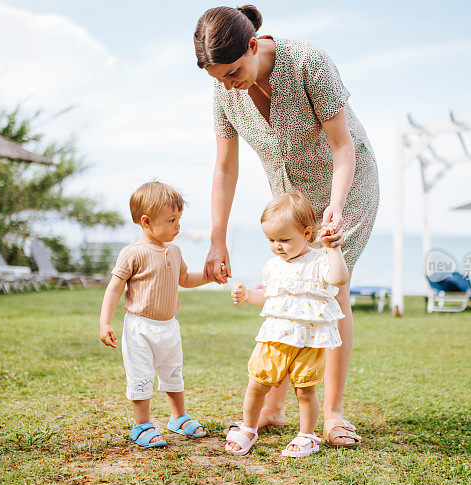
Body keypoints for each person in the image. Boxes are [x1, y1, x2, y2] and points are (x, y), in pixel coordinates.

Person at [194, 5, 379, 447]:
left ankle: (331, 414)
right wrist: (217, 240)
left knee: (328, 289)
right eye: (219, 78)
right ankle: (274, 407)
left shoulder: (308, 61)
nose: (229, 85)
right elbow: (224, 169)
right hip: (289, 201)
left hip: (345, 187)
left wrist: (333, 209)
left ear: (253, 45)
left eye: (234, 73)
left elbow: (343, 147)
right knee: (286, 288)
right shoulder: (225, 91)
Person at [227, 192, 349, 457]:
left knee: (305, 390)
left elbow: (339, 279)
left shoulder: (319, 261)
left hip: (308, 340)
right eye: (271, 239)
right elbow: (271, 299)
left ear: (307, 233)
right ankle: (248, 428)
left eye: (284, 240)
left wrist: (333, 249)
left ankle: (307, 435)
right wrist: (248, 295)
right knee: (257, 383)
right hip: (274, 338)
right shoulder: (273, 266)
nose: (277, 246)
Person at [99, 181, 210, 448]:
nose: (177, 226)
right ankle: (142, 425)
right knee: (142, 375)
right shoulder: (132, 253)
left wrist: (208, 276)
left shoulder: (174, 250)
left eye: (179, 219)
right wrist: (105, 322)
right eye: (171, 220)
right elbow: (114, 289)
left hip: (169, 326)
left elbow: (184, 278)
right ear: (147, 221)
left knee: (173, 373)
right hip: (140, 328)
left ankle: (178, 417)